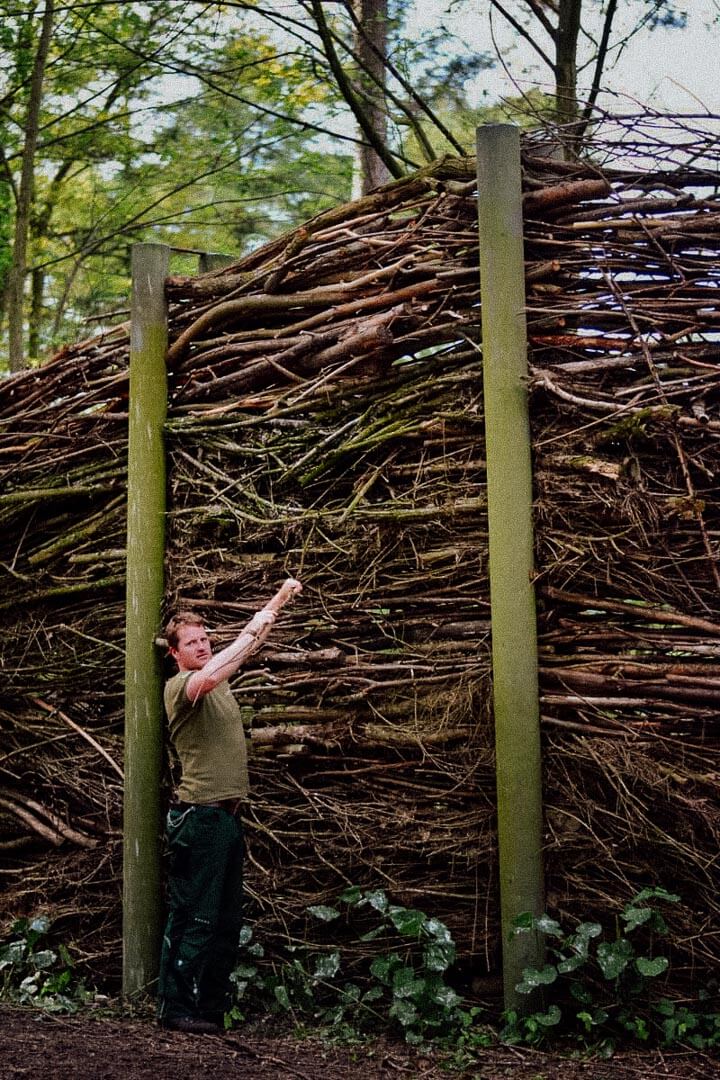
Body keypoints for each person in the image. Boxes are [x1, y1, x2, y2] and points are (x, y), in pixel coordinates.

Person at [157, 578, 302, 1035]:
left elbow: (238, 654)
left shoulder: (218, 684)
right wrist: (270, 607)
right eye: (190, 642)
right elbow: (226, 662)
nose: (200, 646)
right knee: (194, 915)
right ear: (174, 654)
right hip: (198, 817)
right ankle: (175, 1008)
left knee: (224, 920)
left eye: (204, 639)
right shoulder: (184, 687)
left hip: (225, 819)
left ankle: (209, 1010)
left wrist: (277, 603)